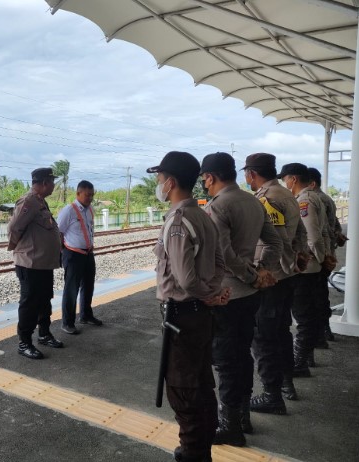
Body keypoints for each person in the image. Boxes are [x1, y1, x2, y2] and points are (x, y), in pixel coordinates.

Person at [149, 151, 228, 462]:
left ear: (170, 183)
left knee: (184, 392)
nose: (158, 185)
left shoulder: (179, 221)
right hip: (199, 316)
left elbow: (183, 279)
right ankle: (199, 450)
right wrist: (212, 291)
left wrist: (204, 294)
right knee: (202, 385)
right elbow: (220, 262)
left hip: (183, 316)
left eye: (159, 180)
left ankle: (194, 454)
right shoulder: (203, 216)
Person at [200, 152, 282, 446]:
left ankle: (230, 425)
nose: (204, 185)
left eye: (204, 179)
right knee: (243, 355)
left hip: (227, 296)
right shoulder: (253, 201)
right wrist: (262, 271)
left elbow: (222, 254)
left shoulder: (219, 206)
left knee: (225, 360)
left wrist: (250, 274)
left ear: (210, 177)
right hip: (250, 295)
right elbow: (274, 242)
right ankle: (243, 416)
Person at [242, 153, 308, 408]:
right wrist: (300, 256)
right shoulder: (288, 195)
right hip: (287, 276)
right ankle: (286, 382)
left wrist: (263, 272)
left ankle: (272, 396)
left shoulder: (267, 199)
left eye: (246, 174)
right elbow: (300, 233)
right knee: (281, 333)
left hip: (274, 280)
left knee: (265, 337)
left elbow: (274, 242)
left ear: (252, 174)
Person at [8, 167, 64, 359]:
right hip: (30, 263)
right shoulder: (29, 201)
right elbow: (14, 227)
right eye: (52, 181)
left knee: (44, 300)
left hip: (43, 264)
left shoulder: (41, 202)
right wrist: (21, 249)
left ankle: (44, 334)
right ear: (43, 183)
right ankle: (24, 343)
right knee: (30, 303)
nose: (54, 185)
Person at [277, 163, 327, 378]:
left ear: (294, 179)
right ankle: (305, 358)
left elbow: (313, 236)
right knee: (309, 313)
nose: (284, 183)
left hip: (306, 268)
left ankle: (299, 363)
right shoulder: (315, 197)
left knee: (303, 316)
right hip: (313, 265)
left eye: (285, 179)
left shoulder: (304, 200)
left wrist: (320, 258)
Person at [57, 180, 101, 335]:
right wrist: (63, 252)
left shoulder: (90, 210)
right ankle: (67, 322)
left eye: (92, 195)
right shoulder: (68, 211)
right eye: (87, 195)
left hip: (88, 254)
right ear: (78, 194)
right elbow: (58, 232)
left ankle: (86, 315)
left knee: (88, 286)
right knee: (71, 289)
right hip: (73, 254)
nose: (90, 198)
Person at [307, 167, 340, 344]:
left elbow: (316, 234)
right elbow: (335, 227)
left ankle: (320, 335)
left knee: (313, 299)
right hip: (327, 253)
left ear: (312, 183)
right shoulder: (327, 199)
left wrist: (322, 257)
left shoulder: (314, 199)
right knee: (321, 294)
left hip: (319, 256)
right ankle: (323, 331)